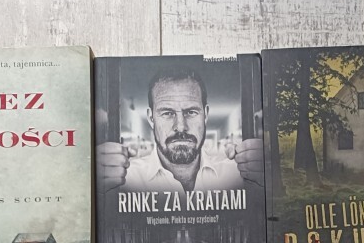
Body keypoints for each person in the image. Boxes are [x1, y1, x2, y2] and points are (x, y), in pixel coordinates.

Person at [97, 67, 263, 195]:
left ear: (205, 114)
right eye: (167, 113)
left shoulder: (238, 175)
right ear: (151, 118)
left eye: (191, 112)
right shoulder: (124, 179)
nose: (181, 126)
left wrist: (270, 173)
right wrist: (91, 179)